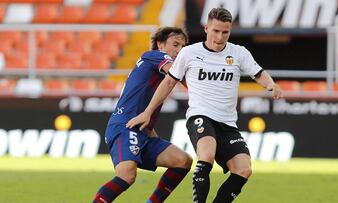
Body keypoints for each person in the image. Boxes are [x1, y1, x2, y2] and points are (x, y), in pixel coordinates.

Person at [126, 7, 283, 203]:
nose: (220, 37)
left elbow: (258, 73)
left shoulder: (238, 53)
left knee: (244, 169)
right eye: (216, 31)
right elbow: (168, 82)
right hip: (200, 116)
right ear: (207, 28)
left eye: (225, 32)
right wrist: (148, 112)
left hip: (227, 123)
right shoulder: (189, 53)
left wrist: (271, 85)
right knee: (206, 156)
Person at [93, 27, 192, 203]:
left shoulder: (158, 70)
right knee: (126, 175)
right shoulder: (154, 55)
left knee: (182, 160)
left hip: (142, 131)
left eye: (183, 47)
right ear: (160, 44)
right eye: (175, 44)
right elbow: (178, 75)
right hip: (126, 125)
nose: (179, 50)